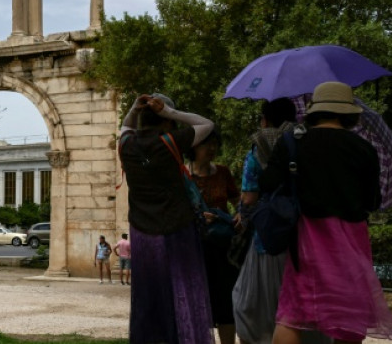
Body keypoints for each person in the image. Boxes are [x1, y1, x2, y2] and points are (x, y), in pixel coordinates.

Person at [260, 82, 392, 344]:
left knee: (292, 313)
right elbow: (372, 201)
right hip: (350, 243)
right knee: (349, 316)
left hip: (306, 241)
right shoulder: (364, 149)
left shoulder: (292, 142)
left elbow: (267, 183)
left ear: (315, 111)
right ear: (349, 113)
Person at [232, 98, 331, 344]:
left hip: (269, 238)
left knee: (253, 306)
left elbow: (249, 197)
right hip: (305, 238)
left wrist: (242, 215)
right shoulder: (309, 145)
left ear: (265, 119)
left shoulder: (257, 149)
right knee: (302, 305)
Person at [118, 93, 215, 344]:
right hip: (177, 228)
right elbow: (206, 124)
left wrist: (134, 109)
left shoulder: (126, 144)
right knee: (183, 292)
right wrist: (170, 112)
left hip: (142, 231)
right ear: (165, 121)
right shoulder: (170, 141)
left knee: (148, 297)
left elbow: (126, 126)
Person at [186, 129, 239, 344]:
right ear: (193, 147)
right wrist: (196, 217)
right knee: (198, 302)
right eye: (205, 144)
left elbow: (238, 203)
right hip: (194, 248)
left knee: (226, 303)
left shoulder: (223, 172)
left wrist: (237, 216)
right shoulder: (182, 175)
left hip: (224, 248)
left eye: (215, 143)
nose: (212, 148)